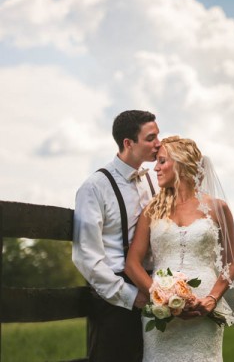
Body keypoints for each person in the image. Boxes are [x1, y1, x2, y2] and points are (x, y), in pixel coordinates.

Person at [125, 136, 234, 361]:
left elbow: (230, 263)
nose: (155, 168)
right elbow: (132, 264)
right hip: (161, 316)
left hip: (204, 312)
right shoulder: (151, 210)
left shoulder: (218, 208)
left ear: (180, 163)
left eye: (161, 161)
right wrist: (159, 296)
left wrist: (211, 300)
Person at [72, 110, 160, 362]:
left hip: (154, 292)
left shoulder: (154, 181)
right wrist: (129, 296)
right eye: (151, 138)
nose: (158, 143)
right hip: (114, 301)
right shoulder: (94, 188)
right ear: (128, 143)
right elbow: (86, 257)